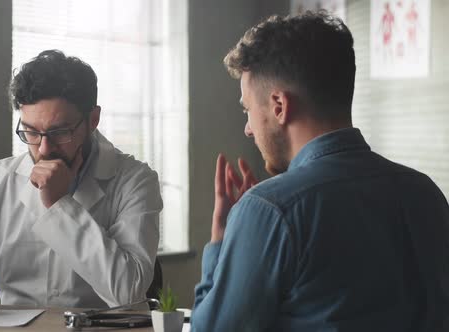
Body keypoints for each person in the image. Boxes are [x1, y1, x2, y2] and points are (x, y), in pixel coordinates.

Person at [191, 12, 449, 331]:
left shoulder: (269, 210)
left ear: (279, 106)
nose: (247, 128)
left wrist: (220, 243)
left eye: (247, 110)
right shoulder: (426, 193)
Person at [0, 50, 163, 315]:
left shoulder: (135, 181)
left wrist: (59, 206)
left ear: (92, 121)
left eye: (59, 132)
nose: (43, 149)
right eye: (30, 131)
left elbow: (129, 291)